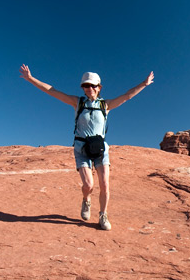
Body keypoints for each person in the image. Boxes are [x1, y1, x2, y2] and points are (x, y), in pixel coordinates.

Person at [19, 64, 154, 230]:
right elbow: (52, 91)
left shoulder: (106, 105)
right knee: (88, 185)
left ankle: (103, 215)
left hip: (100, 149)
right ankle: (86, 200)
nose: (89, 88)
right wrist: (30, 78)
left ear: (99, 87)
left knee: (104, 185)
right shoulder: (77, 103)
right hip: (81, 149)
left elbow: (126, 96)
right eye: (85, 85)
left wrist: (143, 84)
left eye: (92, 85)